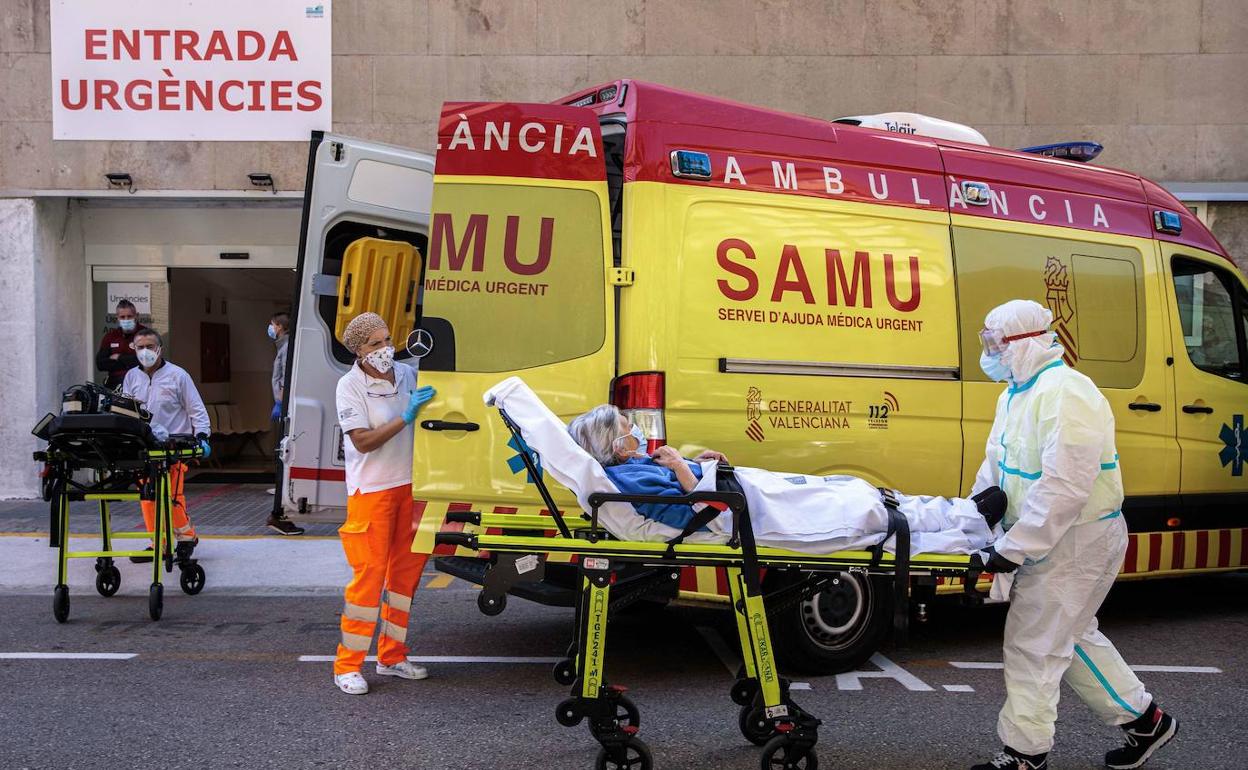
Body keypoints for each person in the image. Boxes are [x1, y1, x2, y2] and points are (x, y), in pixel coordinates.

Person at [968, 300, 1177, 770]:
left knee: (1034, 646)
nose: (989, 352)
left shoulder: (1069, 394)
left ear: (1027, 343)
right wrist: (976, 514)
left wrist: (1011, 548)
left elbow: (1066, 485)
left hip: (1078, 541)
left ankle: (1025, 754)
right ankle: (1146, 721)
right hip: (1049, 539)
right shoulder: (1014, 394)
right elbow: (996, 464)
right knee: (1071, 636)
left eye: (996, 343)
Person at [567, 404, 1006, 556]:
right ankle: (972, 529)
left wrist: (701, 466)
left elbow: (690, 498)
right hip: (748, 514)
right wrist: (684, 468)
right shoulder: (628, 480)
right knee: (863, 518)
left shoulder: (634, 469)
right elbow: (689, 516)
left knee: (856, 492)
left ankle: (962, 512)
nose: (636, 430)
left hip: (745, 496)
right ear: (615, 444)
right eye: (628, 427)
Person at [331, 312, 436, 695]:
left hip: (411, 488)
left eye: (387, 340)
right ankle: (347, 665)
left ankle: (391, 656)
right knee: (369, 580)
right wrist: (407, 417)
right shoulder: (349, 386)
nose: (385, 349)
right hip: (371, 492)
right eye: (375, 344)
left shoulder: (407, 375)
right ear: (358, 350)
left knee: (405, 578)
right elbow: (361, 440)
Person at [120, 329, 212, 563]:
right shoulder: (131, 377)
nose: (145, 352)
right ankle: (158, 543)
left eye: (150, 346)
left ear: (160, 349)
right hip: (145, 446)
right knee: (148, 497)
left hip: (174, 445)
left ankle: (186, 537)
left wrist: (202, 436)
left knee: (171, 496)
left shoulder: (178, 376)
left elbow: (196, 409)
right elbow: (126, 411)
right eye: (140, 347)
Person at [265, 311, 303, 535]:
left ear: (279, 326)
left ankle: (279, 513)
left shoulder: (287, 347)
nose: (270, 328)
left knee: (285, 458)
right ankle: (279, 513)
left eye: (272, 324)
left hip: (286, 407)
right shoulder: (283, 346)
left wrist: (282, 401)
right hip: (283, 405)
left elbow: (286, 378)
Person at [95, 299, 146, 390]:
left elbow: (146, 361)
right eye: (122, 317)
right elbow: (100, 364)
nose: (126, 320)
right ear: (117, 318)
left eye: (129, 316)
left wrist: (119, 357)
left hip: (140, 384)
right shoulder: (110, 336)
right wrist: (130, 361)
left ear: (136, 316)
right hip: (115, 384)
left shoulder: (146, 334)